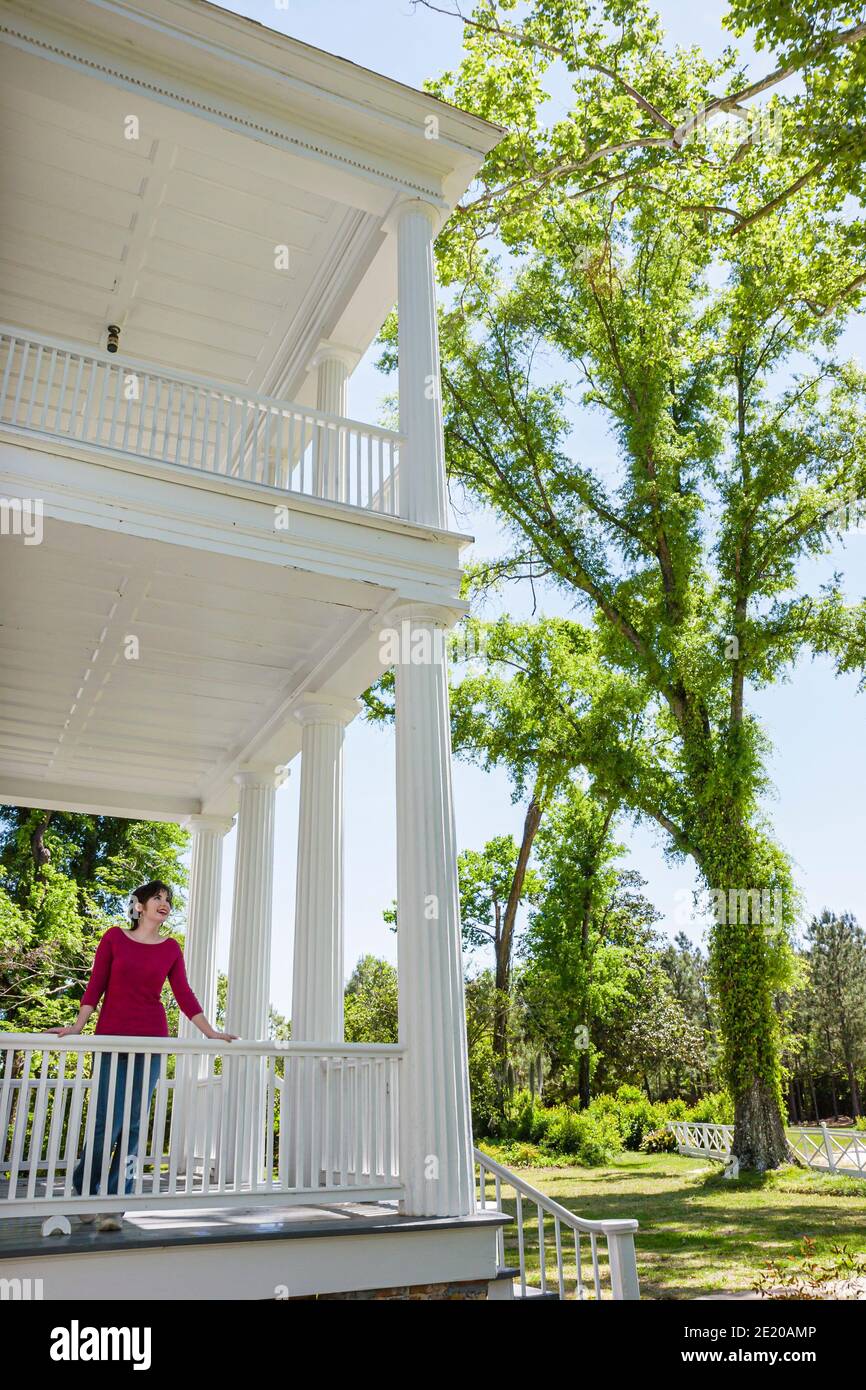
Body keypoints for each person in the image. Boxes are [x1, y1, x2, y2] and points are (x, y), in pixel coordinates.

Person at [46, 880, 236, 1231]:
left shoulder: (171, 949)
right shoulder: (114, 938)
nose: (164, 903)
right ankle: (84, 1188)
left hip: (151, 1043)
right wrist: (77, 1026)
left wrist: (210, 1031)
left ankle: (117, 1202)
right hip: (111, 1042)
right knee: (108, 1121)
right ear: (139, 905)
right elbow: (96, 985)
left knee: (133, 1125)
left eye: (168, 899)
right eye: (157, 898)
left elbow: (184, 993)